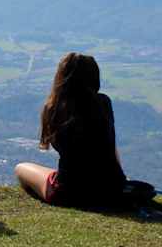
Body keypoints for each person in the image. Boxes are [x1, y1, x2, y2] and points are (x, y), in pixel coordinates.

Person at [15, 52, 127, 207]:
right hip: (111, 191)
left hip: (69, 193)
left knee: (21, 168)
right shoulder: (103, 103)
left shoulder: (55, 108)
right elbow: (110, 145)